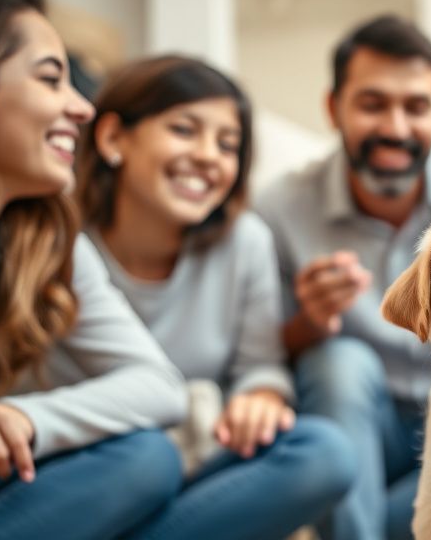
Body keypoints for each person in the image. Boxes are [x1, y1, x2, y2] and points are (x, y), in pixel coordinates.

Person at [254, 14, 431, 540]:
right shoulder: (279, 208)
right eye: (373, 104)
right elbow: (261, 354)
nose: (396, 128)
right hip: (357, 428)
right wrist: (310, 322)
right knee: (338, 360)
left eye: (416, 107)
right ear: (333, 108)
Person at [75, 54, 356, 539]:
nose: (209, 156)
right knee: (144, 460)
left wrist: (260, 399)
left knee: (323, 452)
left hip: (194, 465)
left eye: (228, 144)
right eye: (184, 130)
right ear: (112, 138)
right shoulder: (60, 242)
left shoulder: (244, 240)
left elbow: (260, 365)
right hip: (92, 472)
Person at [0, 0, 187, 539]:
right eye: (49, 79)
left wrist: (26, 417)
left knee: (146, 459)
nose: (81, 107)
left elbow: (159, 386)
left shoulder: (43, 238)